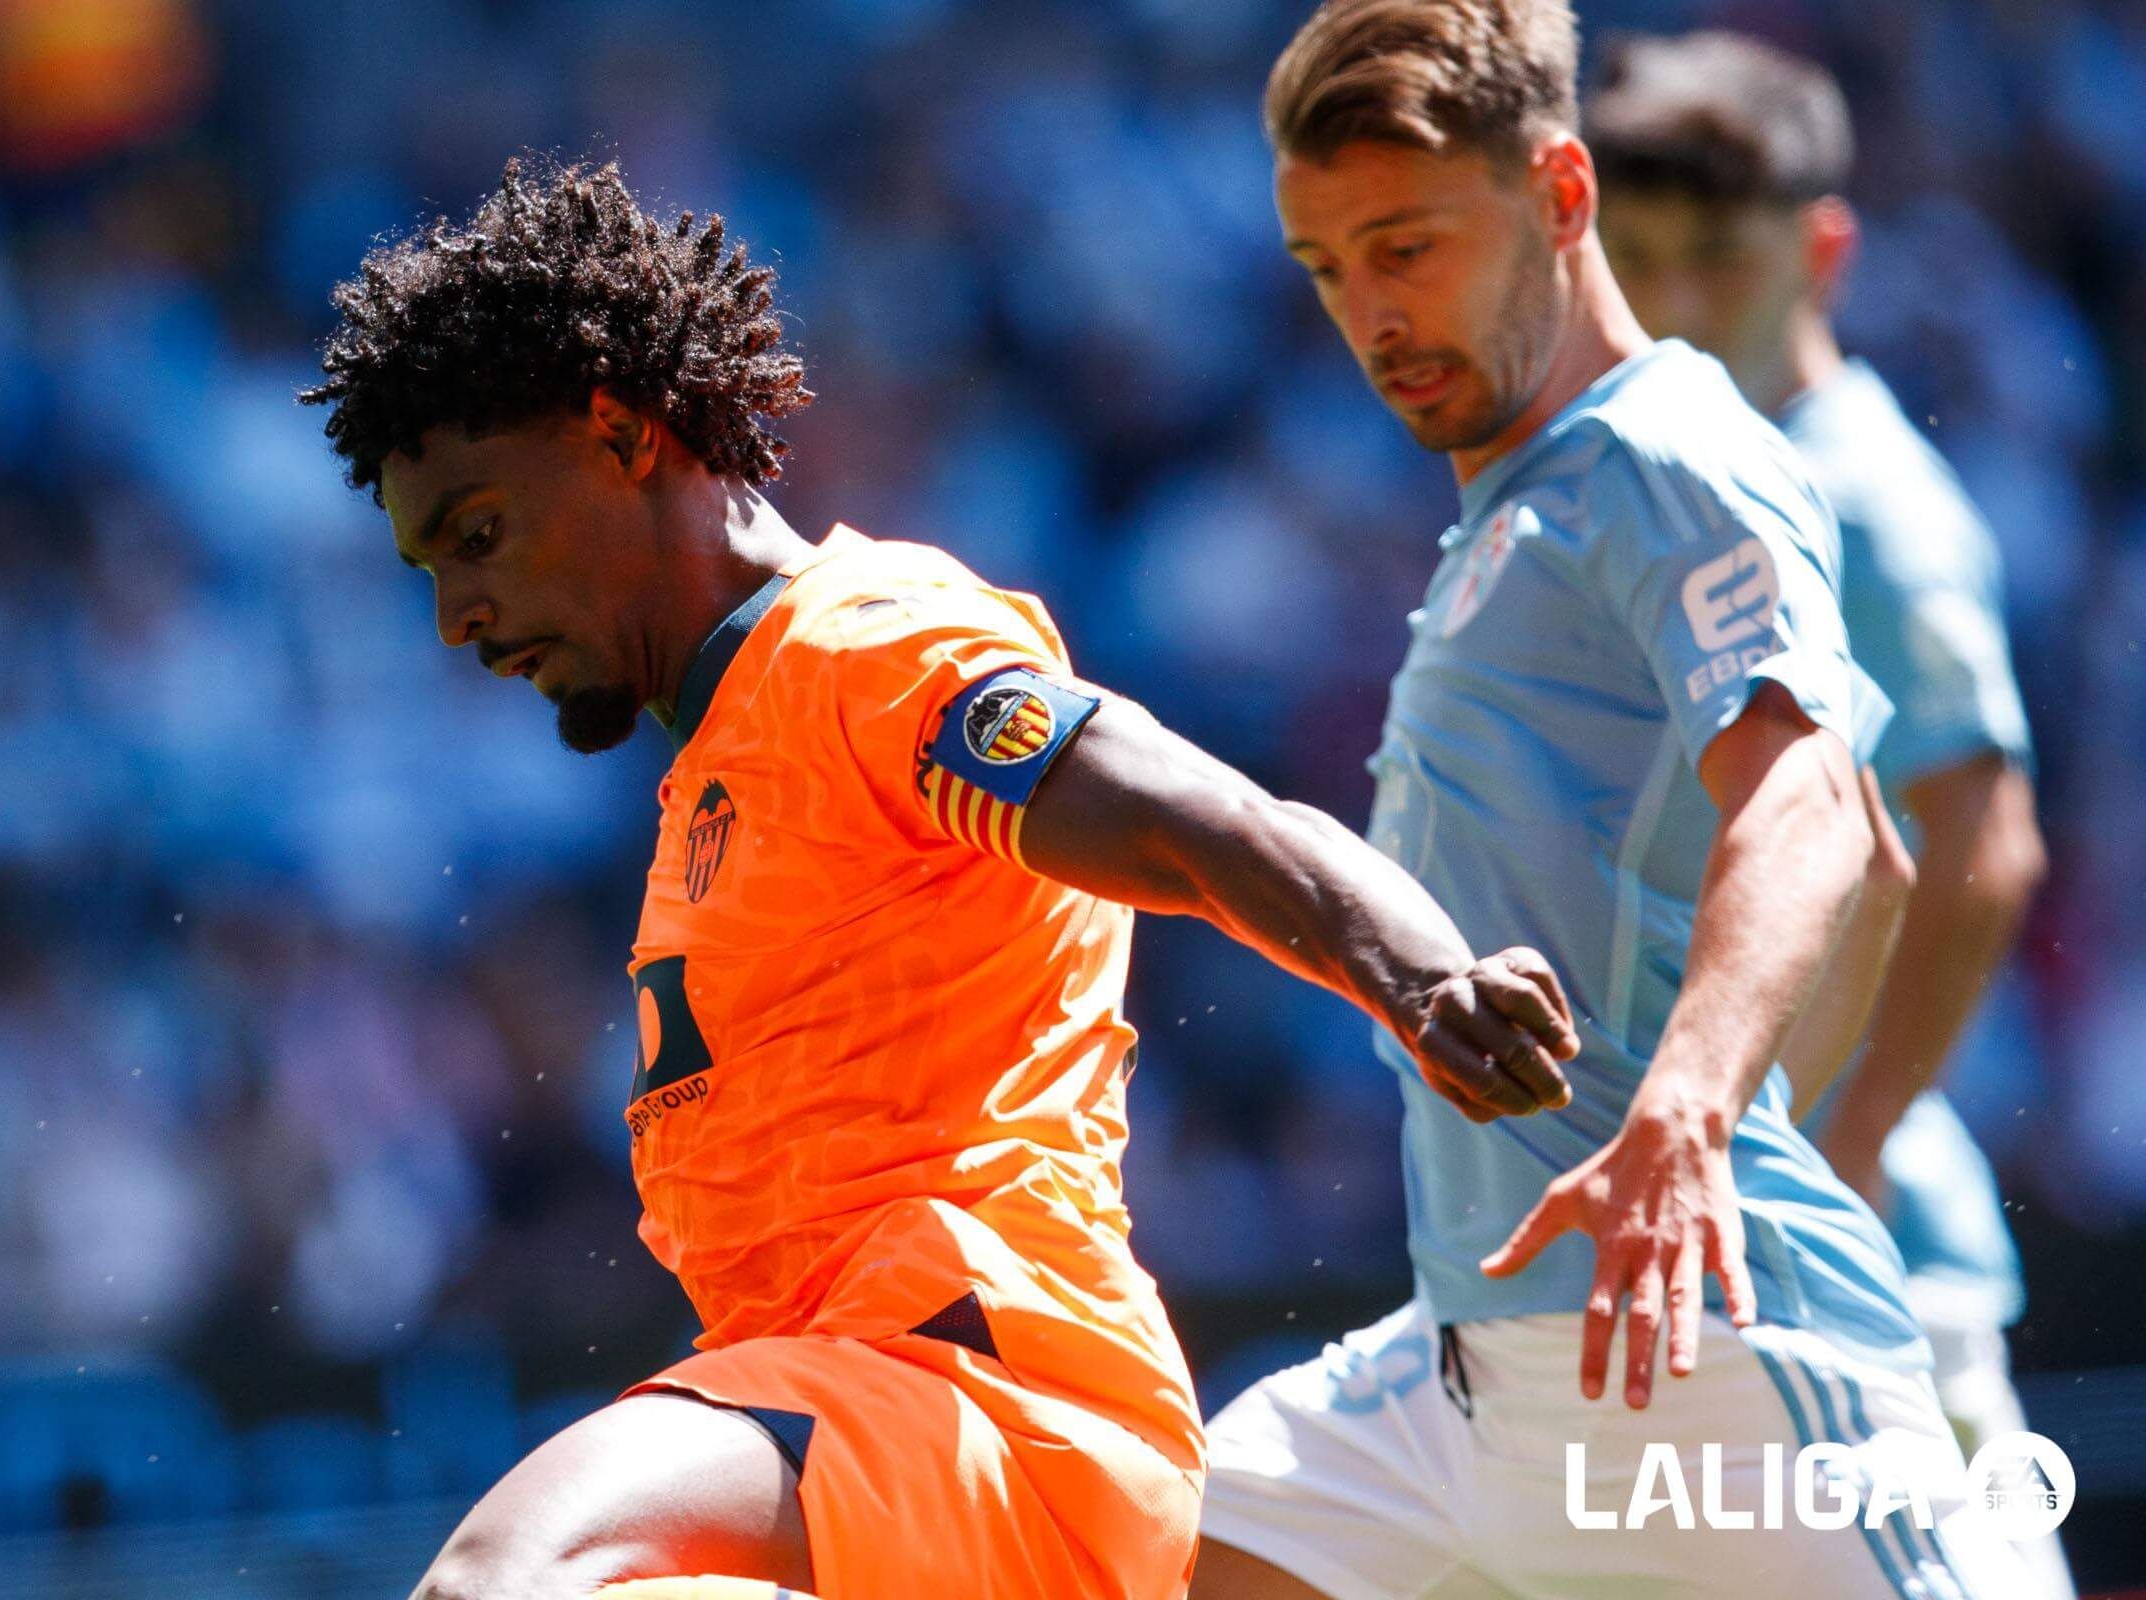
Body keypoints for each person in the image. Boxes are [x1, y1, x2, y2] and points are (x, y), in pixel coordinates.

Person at [300, 157, 1580, 1600]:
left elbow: (1194, 813)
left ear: (620, 435)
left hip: (989, 1400)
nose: (459, 616)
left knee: (506, 1581)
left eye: (477, 537)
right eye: (428, 570)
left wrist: (1424, 976)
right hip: (869, 1448)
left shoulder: (865, 651)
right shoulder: (715, 773)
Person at [1192, 3, 2031, 1595]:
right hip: (1467, 1365)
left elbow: (1815, 805)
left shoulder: (1665, 452)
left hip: (1709, 1368)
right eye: (1326, 269)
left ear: (1563, 198)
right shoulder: (1527, 490)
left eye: (1408, 245)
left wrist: (1701, 1119)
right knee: (1138, 1553)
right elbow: (1880, 864)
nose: (1369, 313)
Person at [1588, 32, 2068, 1599]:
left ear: (1826, 246)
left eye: (1717, 256)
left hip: (1871, 1264)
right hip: (1734, 1259)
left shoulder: (1865, 499)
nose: (1676, 299)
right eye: (1638, 257)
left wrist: (1854, 1138)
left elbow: (1986, 849)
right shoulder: (1690, 480)